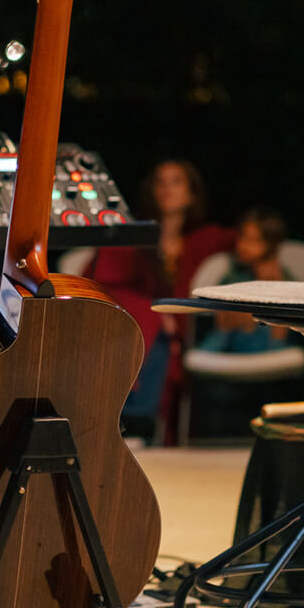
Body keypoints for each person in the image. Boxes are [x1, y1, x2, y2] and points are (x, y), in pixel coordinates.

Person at [86, 158, 232, 438]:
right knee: (153, 331)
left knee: (163, 336)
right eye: (160, 182)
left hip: (184, 330)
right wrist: (152, 311)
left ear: (192, 194)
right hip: (133, 323)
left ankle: (143, 428)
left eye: (176, 182)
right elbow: (103, 283)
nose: (167, 189)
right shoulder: (130, 234)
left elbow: (252, 243)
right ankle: (133, 424)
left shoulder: (202, 240)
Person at [196, 207, 297, 354]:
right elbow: (223, 324)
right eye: (242, 237)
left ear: (271, 245)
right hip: (231, 342)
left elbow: (281, 331)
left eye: (254, 241)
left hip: (269, 347)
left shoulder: (284, 280)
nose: (244, 245)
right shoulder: (234, 275)